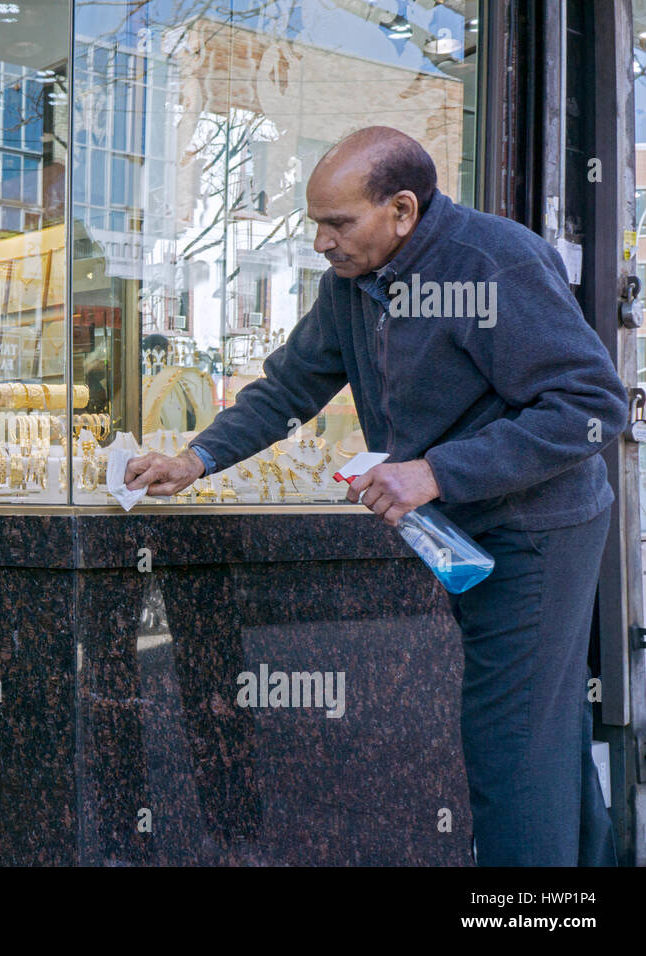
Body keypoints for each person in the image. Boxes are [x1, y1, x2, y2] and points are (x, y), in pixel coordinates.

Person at [125, 126, 629, 867]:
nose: (322, 243)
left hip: (537, 529)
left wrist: (436, 472)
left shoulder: (495, 262)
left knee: (509, 742)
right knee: (539, 732)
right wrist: (197, 457)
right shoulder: (353, 283)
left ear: (402, 209)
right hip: (469, 529)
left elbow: (591, 405)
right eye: (315, 225)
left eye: (338, 223)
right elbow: (290, 387)